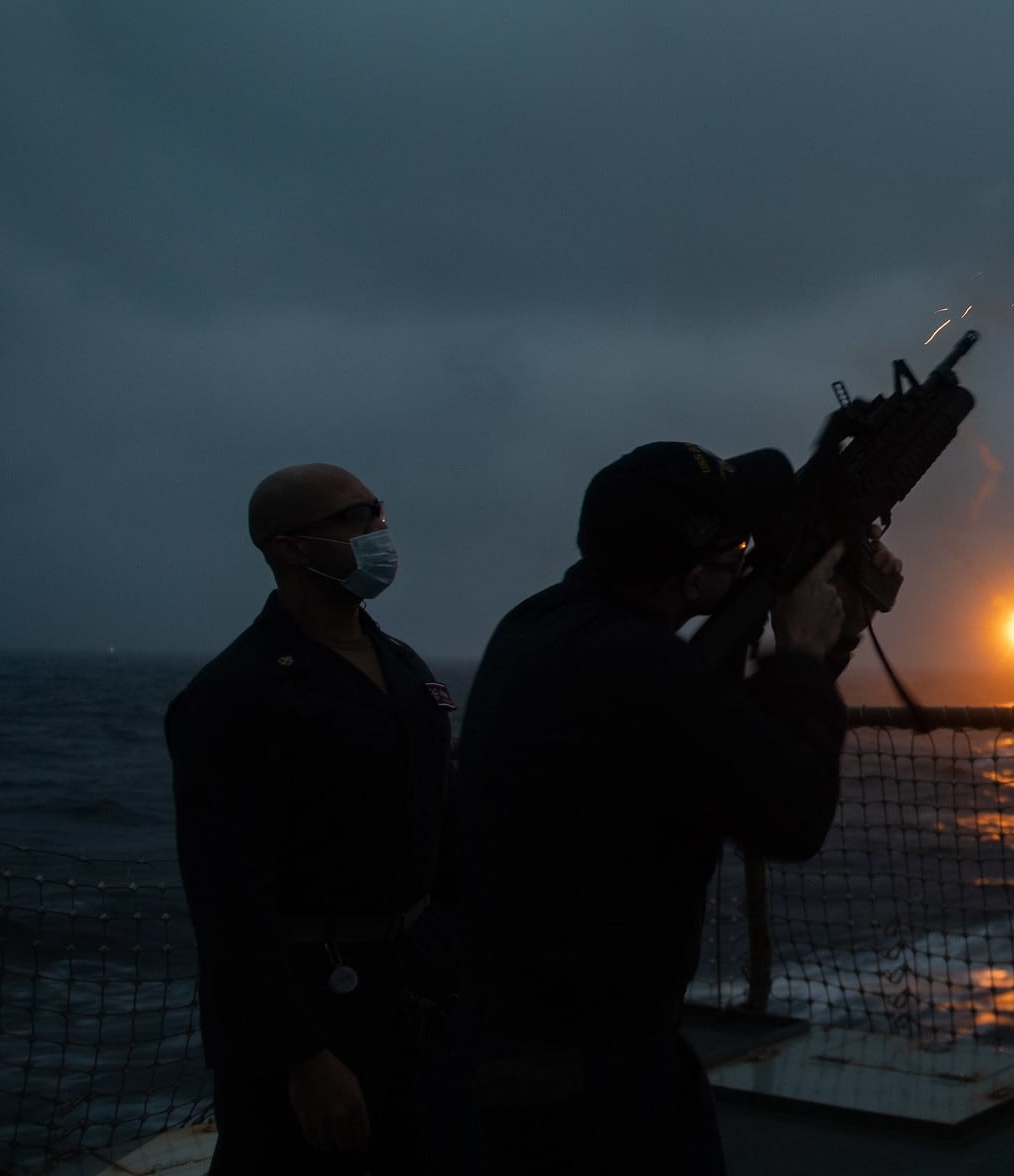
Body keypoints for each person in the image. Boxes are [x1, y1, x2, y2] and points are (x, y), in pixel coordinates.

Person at [451, 441, 893, 1175]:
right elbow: (791, 815)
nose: (747, 560)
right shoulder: (641, 668)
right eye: (738, 548)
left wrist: (825, 638)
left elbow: (710, 741)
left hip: (517, 1039)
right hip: (593, 1081)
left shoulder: (539, 626)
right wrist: (804, 655)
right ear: (689, 575)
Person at [167, 464, 455, 1173]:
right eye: (354, 518)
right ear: (291, 547)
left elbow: (436, 824)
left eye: (378, 512)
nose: (378, 531)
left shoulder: (404, 666)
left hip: (411, 991)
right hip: (314, 1005)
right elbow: (228, 902)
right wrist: (302, 1059)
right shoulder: (236, 695)